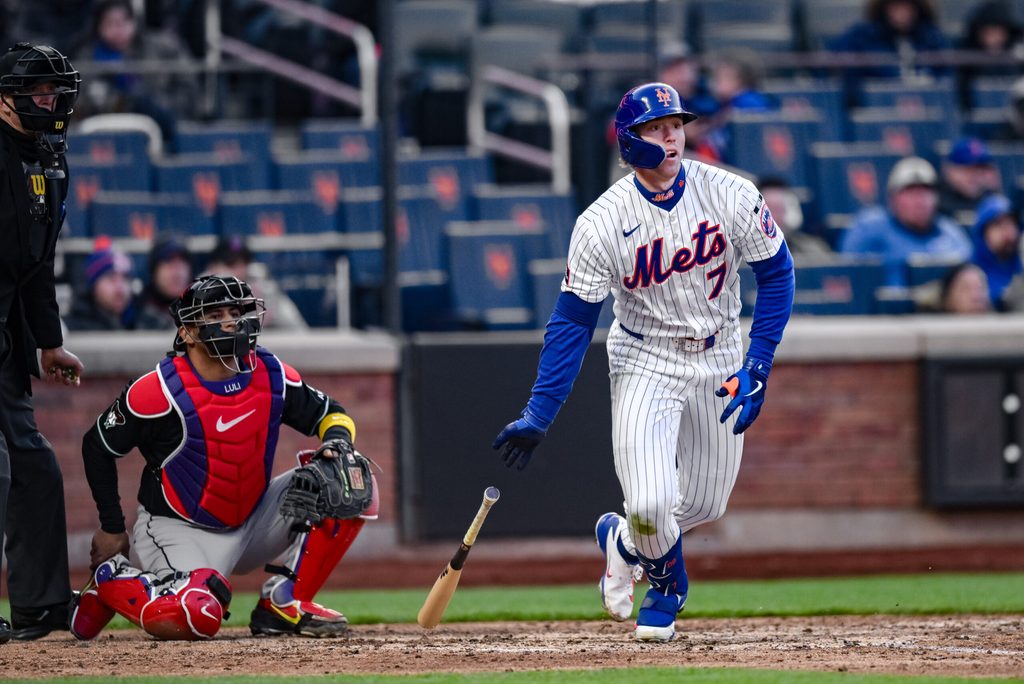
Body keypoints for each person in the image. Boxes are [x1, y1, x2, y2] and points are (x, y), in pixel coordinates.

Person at [492, 83, 795, 642]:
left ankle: (624, 543)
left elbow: (777, 274)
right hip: (644, 357)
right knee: (652, 502)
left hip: (721, 351)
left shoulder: (728, 191)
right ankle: (668, 587)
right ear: (630, 141)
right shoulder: (601, 222)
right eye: (657, 128)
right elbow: (572, 322)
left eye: (676, 124)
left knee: (703, 504)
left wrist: (758, 364)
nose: (671, 136)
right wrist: (540, 411)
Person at [69, 274, 377, 641]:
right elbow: (97, 446)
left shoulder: (271, 372)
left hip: (254, 518)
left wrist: (339, 442)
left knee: (352, 478)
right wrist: (111, 526)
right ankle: (111, 577)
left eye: (236, 311)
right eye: (216, 314)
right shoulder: (157, 390)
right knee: (195, 615)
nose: (232, 320)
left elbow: (331, 413)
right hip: (178, 529)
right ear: (187, 333)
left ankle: (283, 602)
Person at [0, 42, 85, 643]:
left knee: (34, 466)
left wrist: (48, 343)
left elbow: (39, 261)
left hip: (7, 335)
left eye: (55, 92)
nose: (48, 102)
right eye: (36, 93)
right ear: (4, 99)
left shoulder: (48, 155)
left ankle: (42, 606)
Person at [74, 0, 196, 143]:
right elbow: (77, 105)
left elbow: (189, 93)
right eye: (110, 23)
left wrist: (148, 102)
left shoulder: (165, 48)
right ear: (99, 26)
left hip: (163, 132)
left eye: (123, 22)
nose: (118, 30)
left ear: (134, 22)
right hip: (104, 139)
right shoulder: (86, 57)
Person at [839, 156, 972, 286]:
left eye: (926, 192)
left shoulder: (950, 232)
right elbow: (851, 277)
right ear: (892, 199)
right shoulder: (869, 228)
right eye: (911, 193)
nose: (920, 201)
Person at [202, 234, 309, 331]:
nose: (239, 270)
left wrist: (270, 315)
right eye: (231, 264)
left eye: (244, 263)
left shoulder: (261, 286)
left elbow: (299, 330)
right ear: (213, 267)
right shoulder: (200, 292)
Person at [63, 237, 139, 332]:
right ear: (93, 285)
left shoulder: (141, 322)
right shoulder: (71, 328)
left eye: (125, 278)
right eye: (111, 278)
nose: (120, 288)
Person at [759, 177, 835, 261]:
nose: (773, 217)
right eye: (768, 210)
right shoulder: (743, 255)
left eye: (779, 210)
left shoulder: (815, 251)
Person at [969, 194, 1021, 309]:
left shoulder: (1020, 267)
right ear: (982, 233)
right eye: (998, 225)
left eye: (1011, 224)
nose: (1008, 233)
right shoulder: (969, 272)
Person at [937, 137, 1002, 229]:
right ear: (949, 170)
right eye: (968, 169)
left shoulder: (991, 201)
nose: (975, 176)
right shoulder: (935, 202)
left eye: (982, 169)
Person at [137, 232, 193, 330]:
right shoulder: (135, 313)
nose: (177, 273)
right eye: (169, 264)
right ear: (154, 272)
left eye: (181, 265)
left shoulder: (204, 310)